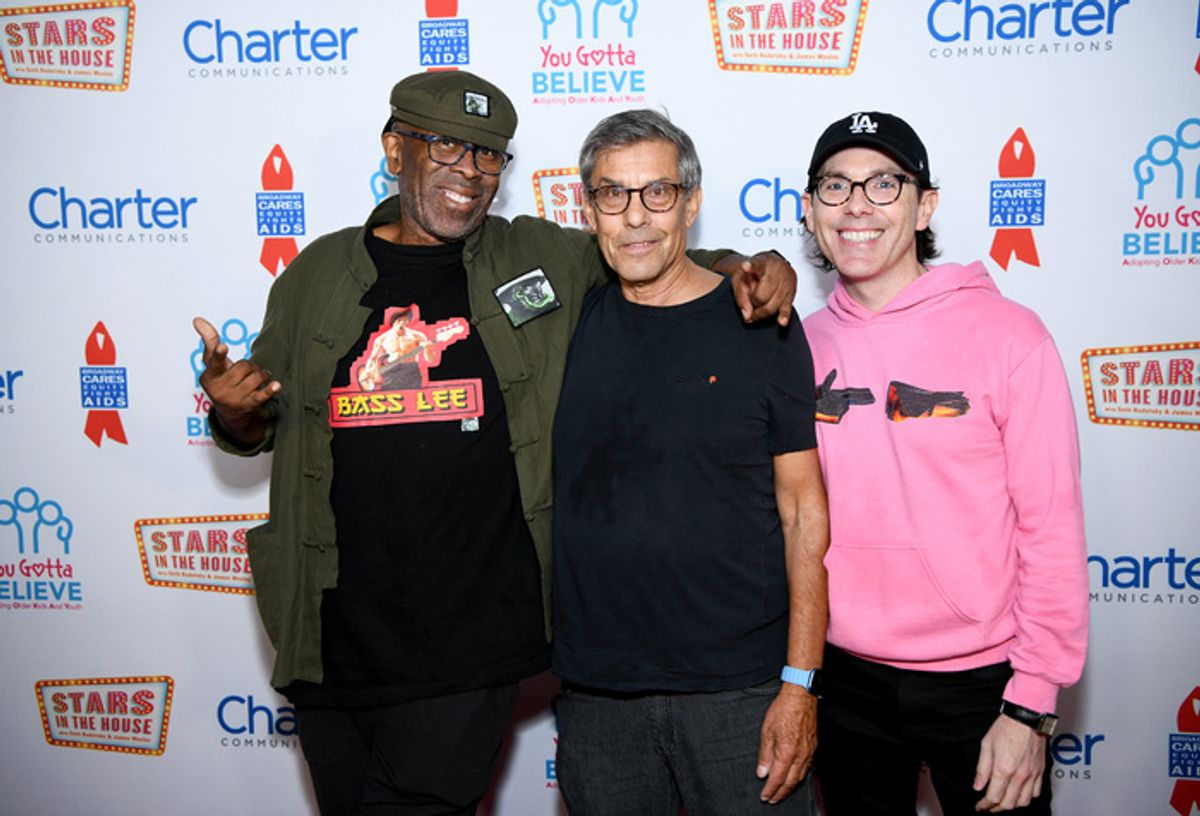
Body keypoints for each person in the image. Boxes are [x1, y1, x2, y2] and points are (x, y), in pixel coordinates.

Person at [192, 70, 796, 816]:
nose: (469, 172)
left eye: (488, 155)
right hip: (332, 646)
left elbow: (649, 249)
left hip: (467, 646)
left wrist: (750, 267)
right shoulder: (316, 273)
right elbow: (263, 421)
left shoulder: (536, 257)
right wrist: (233, 413)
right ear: (393, 148)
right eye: (446, 145)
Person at [799, 111, 1088, 814]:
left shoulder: (1009, 336)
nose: (857, 205)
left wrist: (1030, 708)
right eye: (835, 186)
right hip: (842, 678)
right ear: (809, 211)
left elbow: (1050, 529)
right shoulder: (794, 347)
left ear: (925, 205)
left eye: (884, 183)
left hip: (983, 684)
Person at [551, 109, 829, 815]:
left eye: (659, 193)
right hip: (597, 698)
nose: (636, 217)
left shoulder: (762, 326)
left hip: (743, 693)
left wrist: (800, 684)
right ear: (591, 210)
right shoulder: (566, 327)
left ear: (692, 203)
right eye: (613, 194)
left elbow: (803, 513)